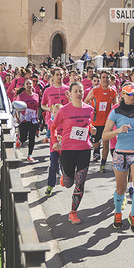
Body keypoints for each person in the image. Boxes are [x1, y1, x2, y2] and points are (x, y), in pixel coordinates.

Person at [102, 83, 134, 233]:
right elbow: (105, 135)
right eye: (129, 94)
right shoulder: (116, 112)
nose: (133, 97)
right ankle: (118, 213)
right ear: (122, 94)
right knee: (121, 188)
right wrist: (118, 130)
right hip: (120, 154)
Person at [51, 81, 95, 224]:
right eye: (75, 91)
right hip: (68, 150)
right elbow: (53, 127)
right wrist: (55, 141)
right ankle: (65, 177)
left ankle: (73, 212)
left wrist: (92, 129)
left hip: (84, 149)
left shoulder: (89, 109)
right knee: (69, 183)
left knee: (80, 182)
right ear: (70, 94)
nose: (78, 93)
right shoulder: (64, 110)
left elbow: (88, 124)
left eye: (80, 91)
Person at [41, 68, 69, 196]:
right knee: (53, 162)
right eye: (57, 75)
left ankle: (64, 174)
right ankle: (50, 185)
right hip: (52, 123)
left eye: (61, 75)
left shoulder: (67, 89)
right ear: (52, 77)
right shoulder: (48, 90)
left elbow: (72, 105)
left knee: (65, 159)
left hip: (66, 125)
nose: (59, 77)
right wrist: (50, 110)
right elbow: (42, 105)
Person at [85, 70, 117, 170]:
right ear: (100, 79)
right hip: (95, 122)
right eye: (103, 77)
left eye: (107, 77)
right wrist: (91, 111)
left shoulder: (113, 91)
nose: (105, 79)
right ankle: (96, 149)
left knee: (106, 144)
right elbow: (86, 102)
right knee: (95, 143)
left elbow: (116, 106)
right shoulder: (94, 91)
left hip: (107, 123)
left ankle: (103, 164)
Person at [15, 78, 41, 164]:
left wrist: (37, 118)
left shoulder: (36, 95)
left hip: (33, 119)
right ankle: (20, 140)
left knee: (32, 138)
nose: (29, 85)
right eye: (27, 84)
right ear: (24, 86)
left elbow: (37, 108)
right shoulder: (21, 96)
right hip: (24, 119)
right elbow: (15, 106)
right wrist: (17, 118)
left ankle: (30, 155)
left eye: (30, 84)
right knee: (24, 138)